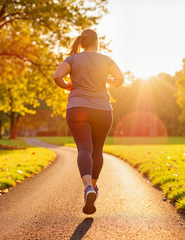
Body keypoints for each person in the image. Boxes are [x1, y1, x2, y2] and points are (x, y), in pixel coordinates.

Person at [52, 29, 124, 214]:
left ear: (81, 43)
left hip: (77, 109)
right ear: (96, 42)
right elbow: (120, 79)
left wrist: (67, 85)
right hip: (102, 110)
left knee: (84, 149)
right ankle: (93, 187)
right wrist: (107, 80)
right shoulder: (106, 59)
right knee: (97, 150)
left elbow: (57, 76)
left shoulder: (72, 60)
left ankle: (87, 188)